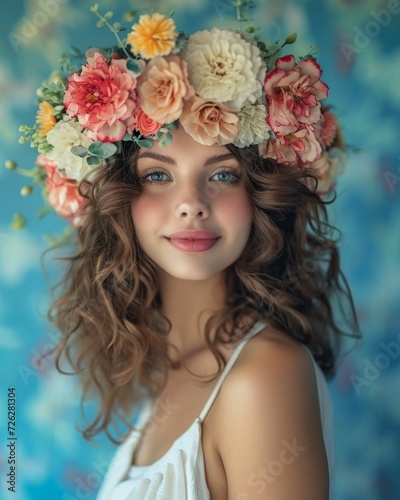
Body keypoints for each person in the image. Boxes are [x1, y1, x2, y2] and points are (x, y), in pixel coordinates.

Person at [10, 4, 360, 499]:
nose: (192, 205)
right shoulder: (172, 374)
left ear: (260, 196)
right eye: (157, 175)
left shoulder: (263, 376)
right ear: (116, 201)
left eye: (223, 175)